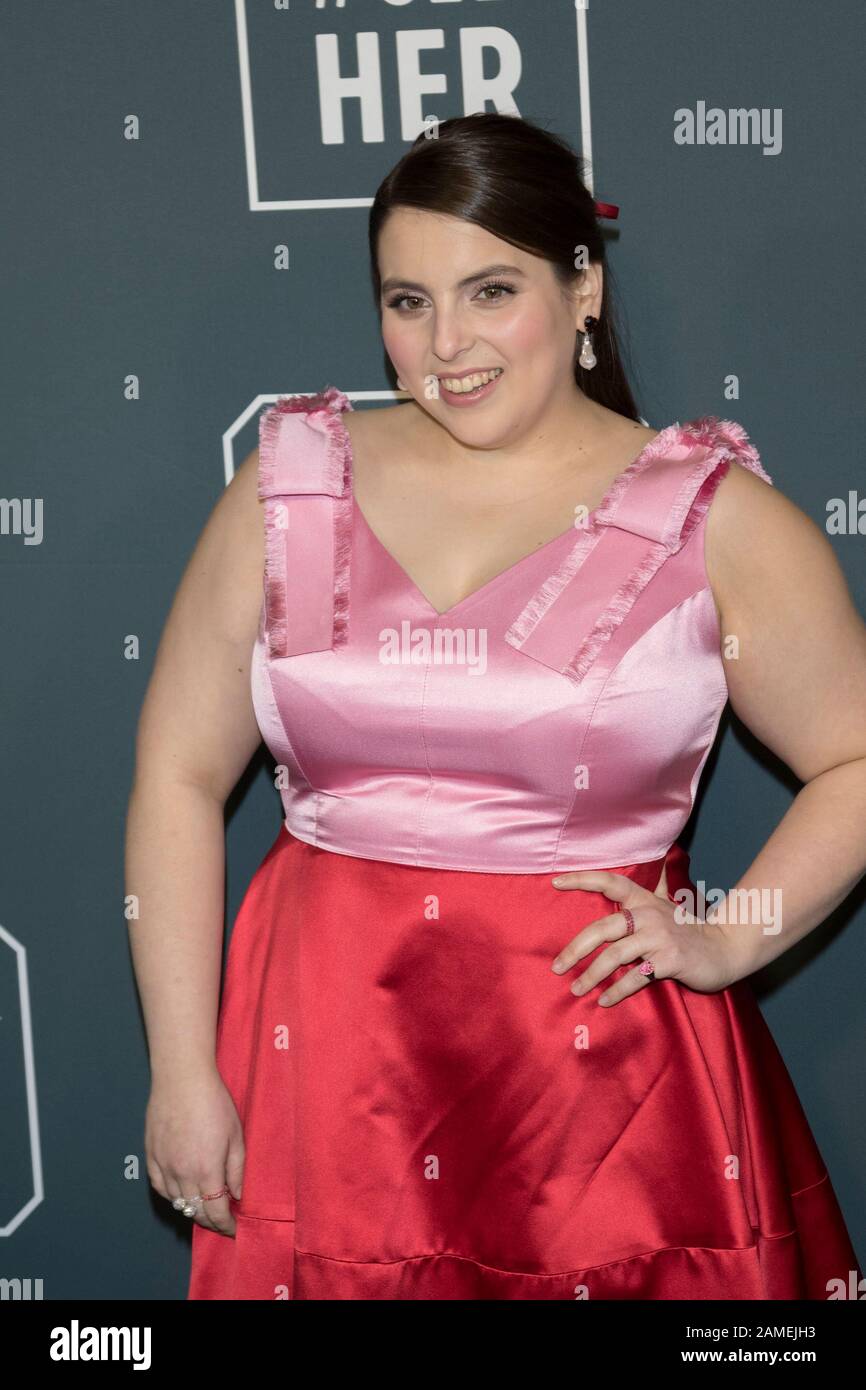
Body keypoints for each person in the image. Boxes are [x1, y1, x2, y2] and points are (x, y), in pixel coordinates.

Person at [126, 113, 866, 1301]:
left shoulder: (710, 517)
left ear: (584, 288)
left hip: (605, 1104)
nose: (444, 343)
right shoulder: (288, 485)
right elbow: (173, 771)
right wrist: (182, 1070)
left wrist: (730, 933)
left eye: (489, 290)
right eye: (406, 300)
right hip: (324, 1079)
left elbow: (855, 756)